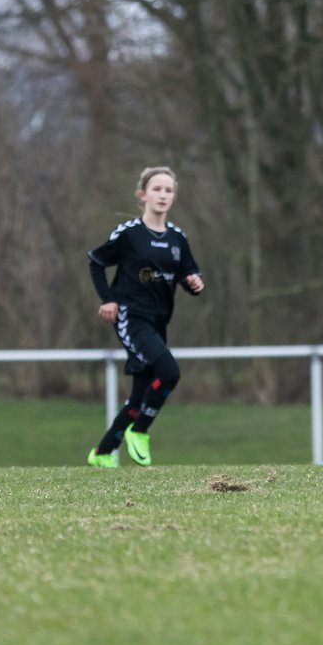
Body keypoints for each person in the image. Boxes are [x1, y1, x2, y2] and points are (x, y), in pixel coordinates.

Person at [86, 166, 204, 468]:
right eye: (157, 189)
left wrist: (194, 282)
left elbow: (188, 274)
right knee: (169, 372)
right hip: (130, 316)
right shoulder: (129, 234)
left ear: (173, 196)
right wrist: (108, 299)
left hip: (159, 320)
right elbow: (97, 261)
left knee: (140, 393)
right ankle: (139, 432)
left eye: (168, 190)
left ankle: (102, 453)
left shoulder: (178, 238)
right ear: (143, 195)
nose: (163, 195)